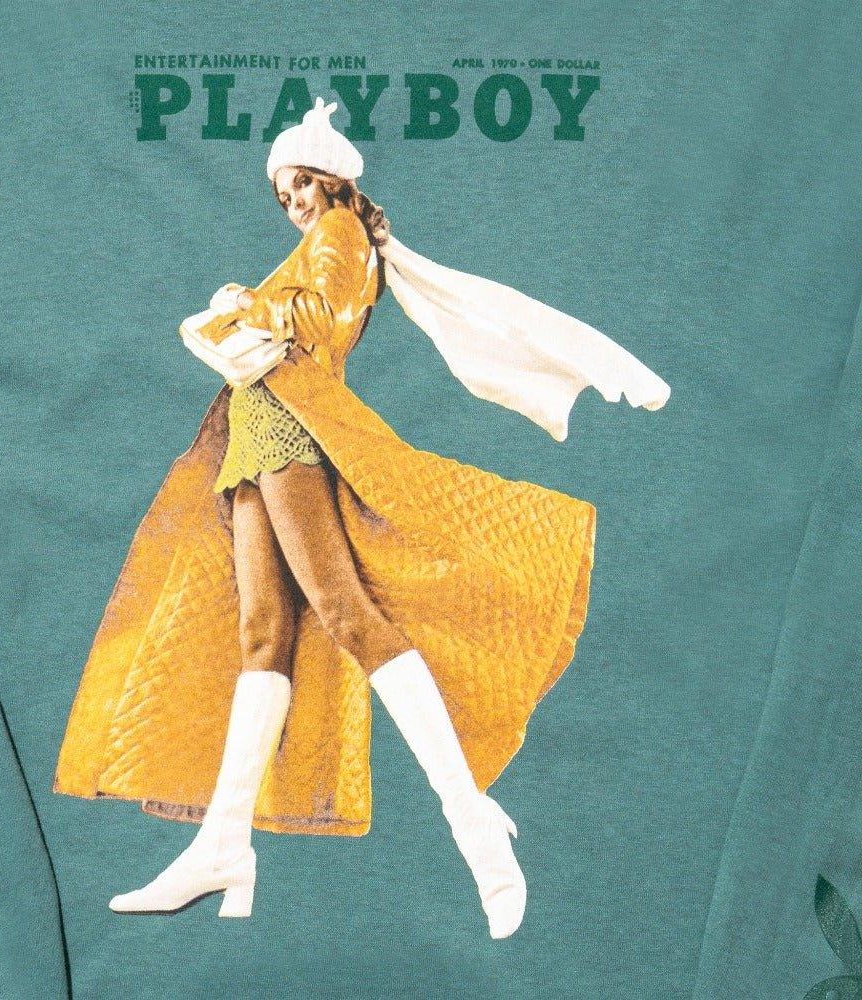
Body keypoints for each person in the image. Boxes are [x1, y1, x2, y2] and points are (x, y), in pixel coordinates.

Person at [52, 98, 669, 939]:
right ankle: (223, 844)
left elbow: (317, 323)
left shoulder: (341, 234)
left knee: (347, 613)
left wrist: (238, 304)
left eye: (301, 185)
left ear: (334, 181)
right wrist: (239, 309)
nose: (294, 204)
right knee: (263, 633)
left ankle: (472, 822)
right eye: (283, 195)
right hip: (252, 435)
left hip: (291, 431)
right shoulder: (316, 239)